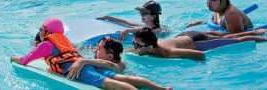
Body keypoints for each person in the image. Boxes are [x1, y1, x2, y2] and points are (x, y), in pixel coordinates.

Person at [11, 19, 167, 90]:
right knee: (122, 78)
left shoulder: (46, 44)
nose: (40, 32)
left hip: (78, 69)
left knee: (109, 84)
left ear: (46, 31)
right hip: (85, 62)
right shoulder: (64, 40)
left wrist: (13, 58)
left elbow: (26, 60)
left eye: (41, 30)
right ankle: (159, 88)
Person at [68, 37, 172, 90]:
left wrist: (83, 61)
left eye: (98, 49)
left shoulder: (114, 65)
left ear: (109, 57)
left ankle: (159, 88)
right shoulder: (117, 60)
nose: (95, 50)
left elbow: (103, 62)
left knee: (126, 79)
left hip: (125, 80)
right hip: (130, 77)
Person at [130, 27, 267, 60]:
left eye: (137, 45)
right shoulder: (147, 46)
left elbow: (199, 54)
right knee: (226, 35)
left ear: (149, 46)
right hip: (184, 35)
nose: (135, 47)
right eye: (134, 43)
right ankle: (258, 31)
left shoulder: (168, 52)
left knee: (234, 40)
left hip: (195, 40)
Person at [187, 0, 253, 33]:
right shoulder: (217, 10)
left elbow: (238, 36)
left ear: (223, 0)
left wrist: (210, 35)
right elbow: (214, 24)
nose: (209, 2)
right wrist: (200, 22)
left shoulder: (230, 14)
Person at [98, 0, 166, 40]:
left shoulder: (157, 30)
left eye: (144, 13)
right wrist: (108, 17)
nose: (142, 15)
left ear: (153, 17)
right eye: (141, 12)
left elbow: (147, 31)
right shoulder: (145, 25)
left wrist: (128, 30)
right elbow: (128, 23)